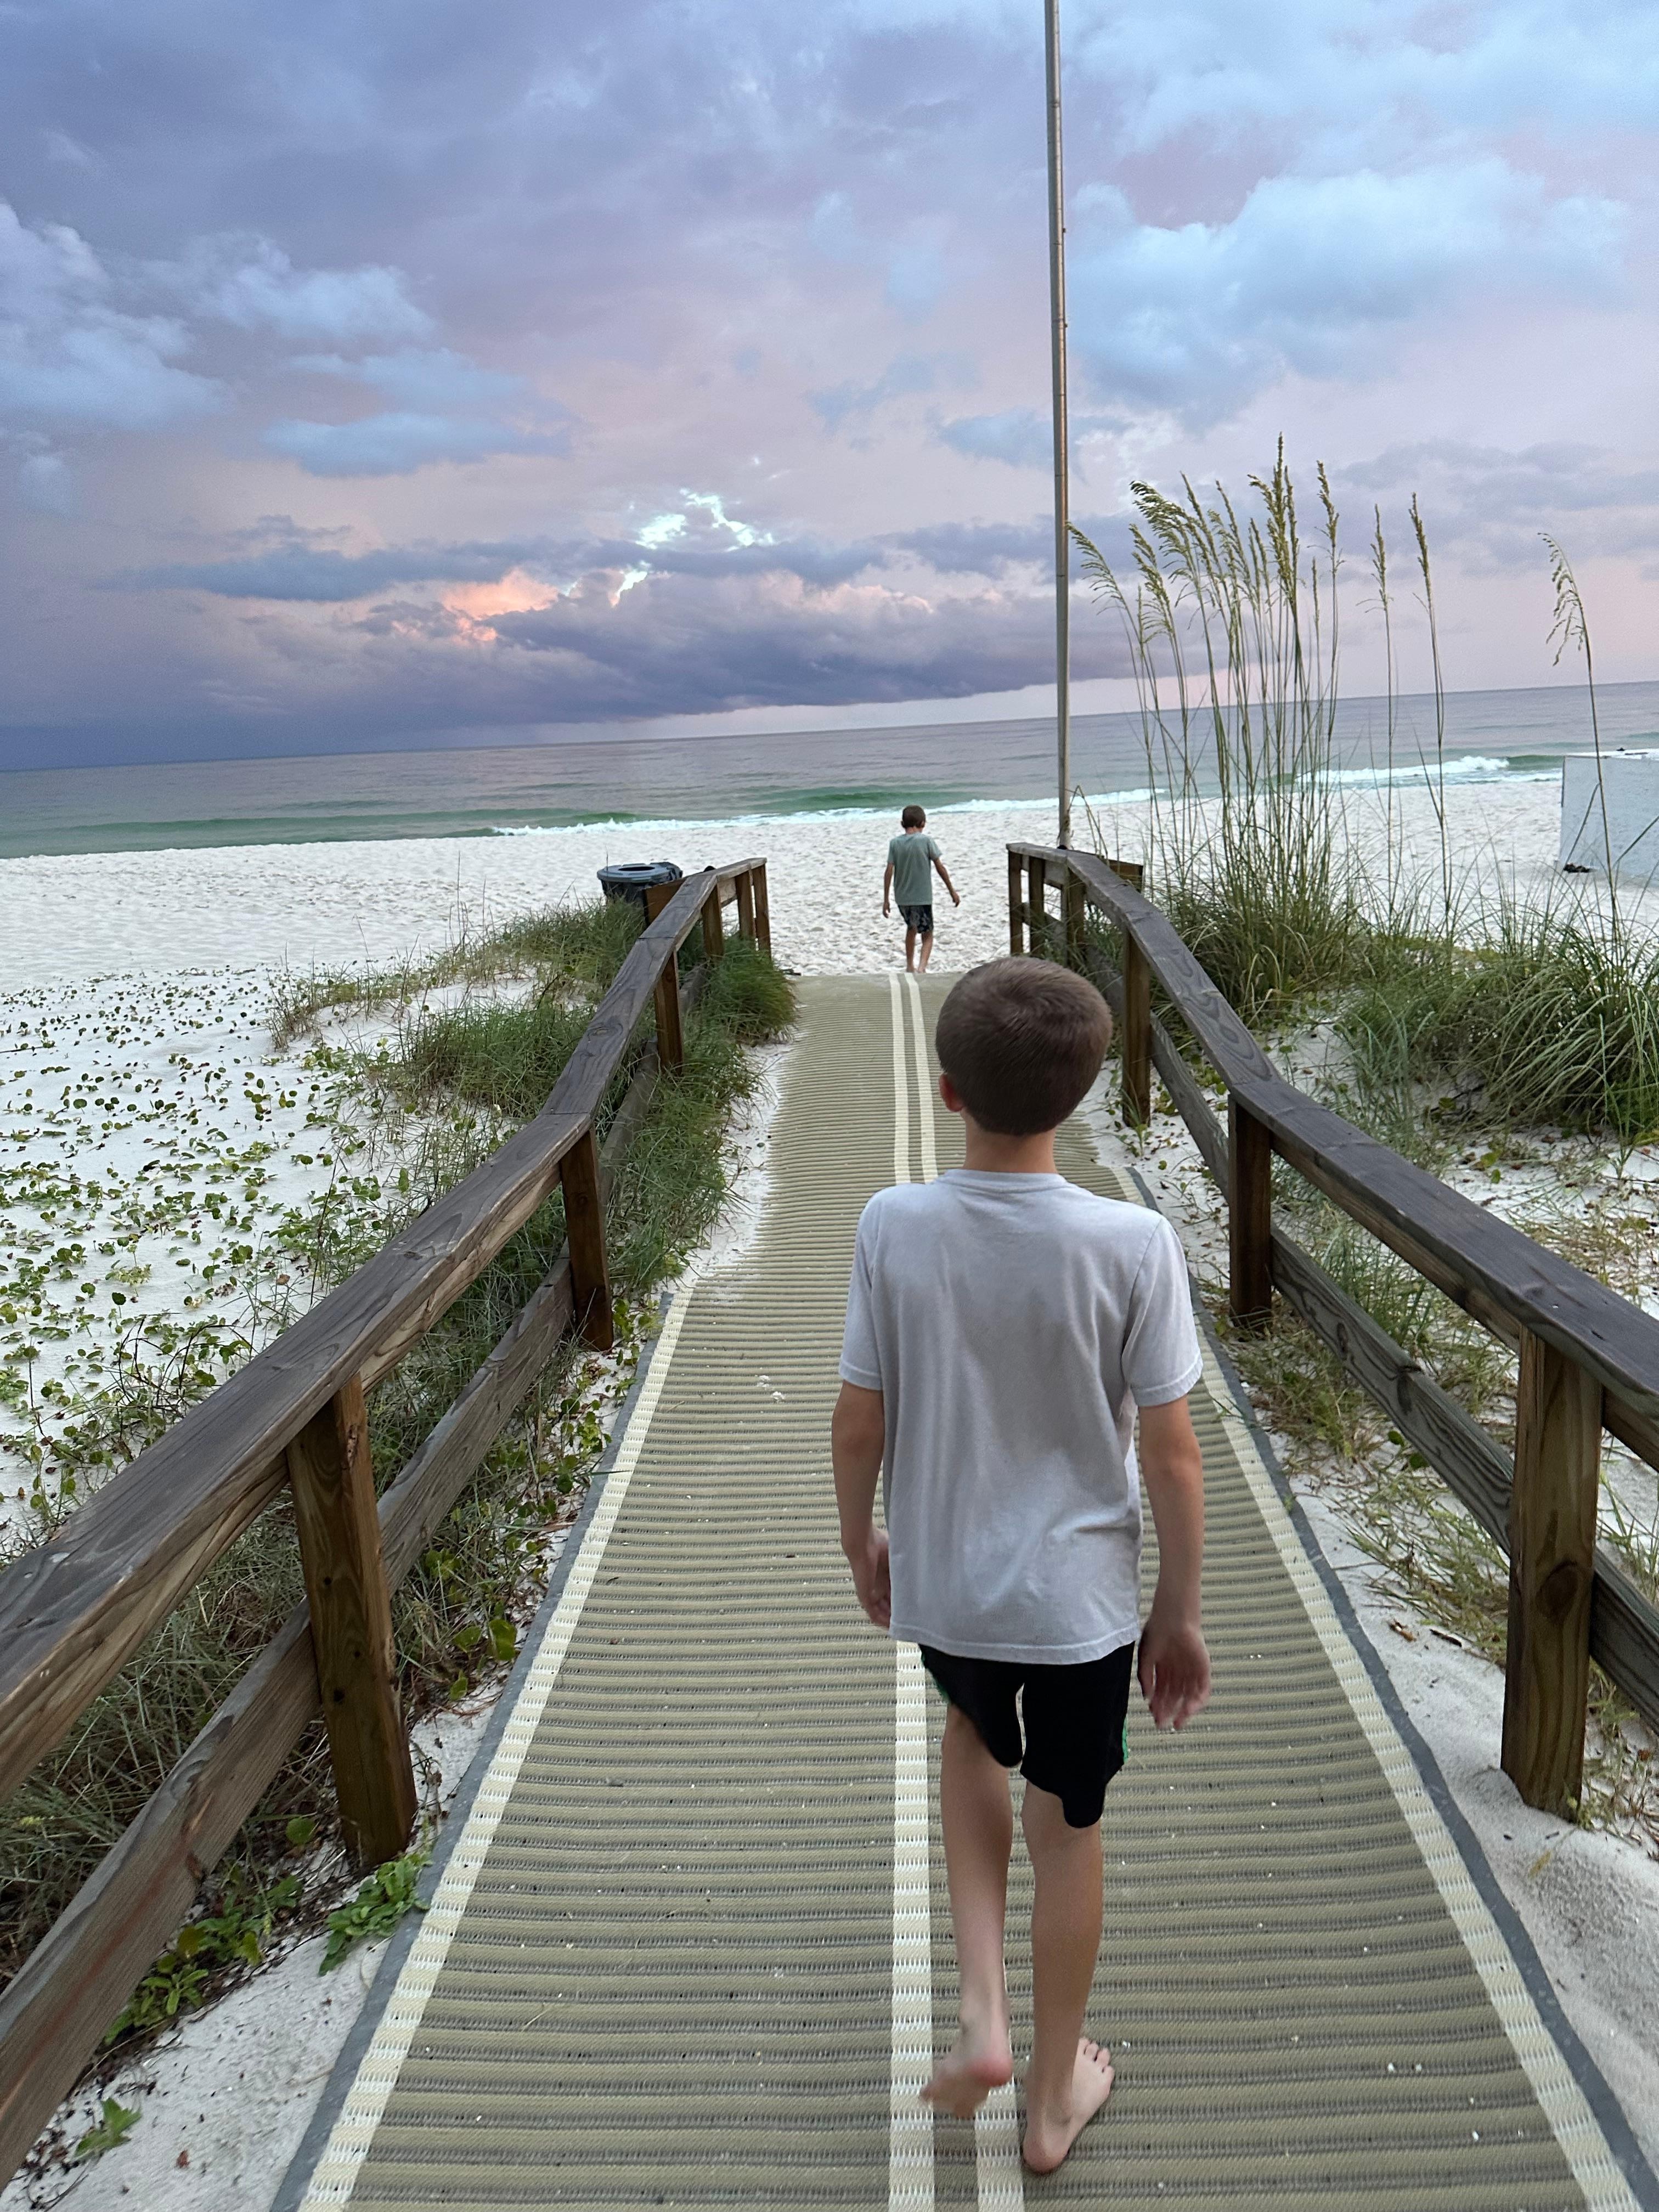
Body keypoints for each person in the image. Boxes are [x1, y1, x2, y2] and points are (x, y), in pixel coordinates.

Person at [831, 957, 1211, 2175]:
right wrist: (1179, 1615)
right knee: (1072, 1824)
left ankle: (984, 2011)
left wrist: (862, 1540)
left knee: (972, 1737)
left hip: (952, 1585)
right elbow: (1173, 1456)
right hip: (1085, 1608)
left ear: (947, 1091)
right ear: (1085, 1093)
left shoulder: (892, 1225)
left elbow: (856, 1419)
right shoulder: (1133, 1244)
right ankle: (1051, 2102)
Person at [882, 804, 960, 974]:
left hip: (902, 898)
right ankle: (922, 968)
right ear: (923, 823)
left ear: (903, 824)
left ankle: (910, 966)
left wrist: (886, 899)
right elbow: (940, 867)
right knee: (928, 933)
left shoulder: (895, 843)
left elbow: (889, 871)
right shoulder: (926, 841)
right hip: (922, 896)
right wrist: (952, 891)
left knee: (911, 928)